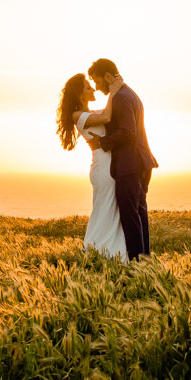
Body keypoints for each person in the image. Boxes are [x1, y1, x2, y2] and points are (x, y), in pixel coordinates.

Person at [72, 58, 158, 259]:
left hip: (130, 165)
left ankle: (137, 261)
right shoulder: (127, 93)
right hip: (139, 162)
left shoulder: (121, 97)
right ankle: (144, 258)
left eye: (96, 80)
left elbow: (128, 132)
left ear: (108, 76)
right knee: (139, 212)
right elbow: (107, 118)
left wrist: (103, 142)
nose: (95, 86)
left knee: (130, 215)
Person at [57, 73, 126, 259]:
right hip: (102, 167)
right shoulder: (78, 115)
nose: (94, 89)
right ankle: (99, 251)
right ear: (80, 95)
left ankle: (110, 251)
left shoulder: (90, 113)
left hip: (106, 164)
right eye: (88, 87)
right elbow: (107, 116)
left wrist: (116, 87)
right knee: (104, 209)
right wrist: (113, 92)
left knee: (110, 209)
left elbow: (106, 114)